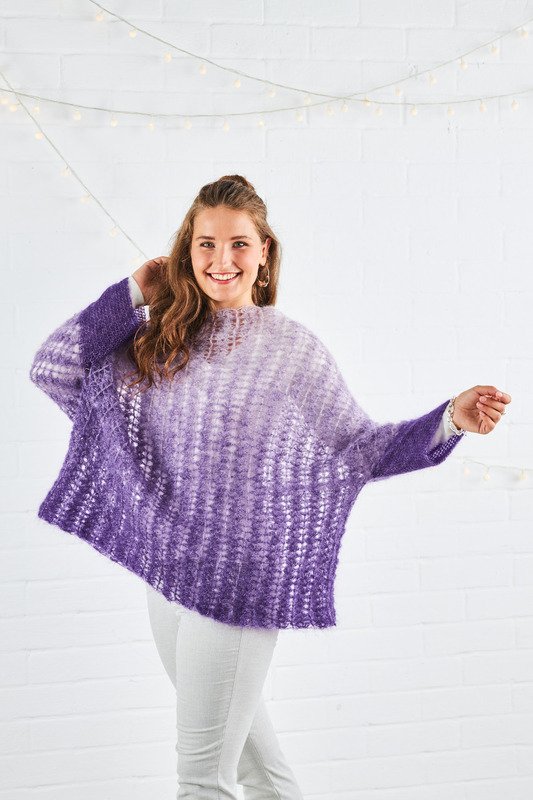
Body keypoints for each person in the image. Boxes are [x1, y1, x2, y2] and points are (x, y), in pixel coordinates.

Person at [29, 175, 511, 799]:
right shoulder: (158, 338)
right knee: (260, 774)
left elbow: (360, 449)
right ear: (186, 252)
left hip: (237, 582)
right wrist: (131, 293)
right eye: (206, 244)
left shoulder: (289, 350)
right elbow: (54, 367)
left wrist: (450, 420)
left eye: (238, 244)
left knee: (202, 779)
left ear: (264, 253)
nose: (221, 260)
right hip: (167, 574)